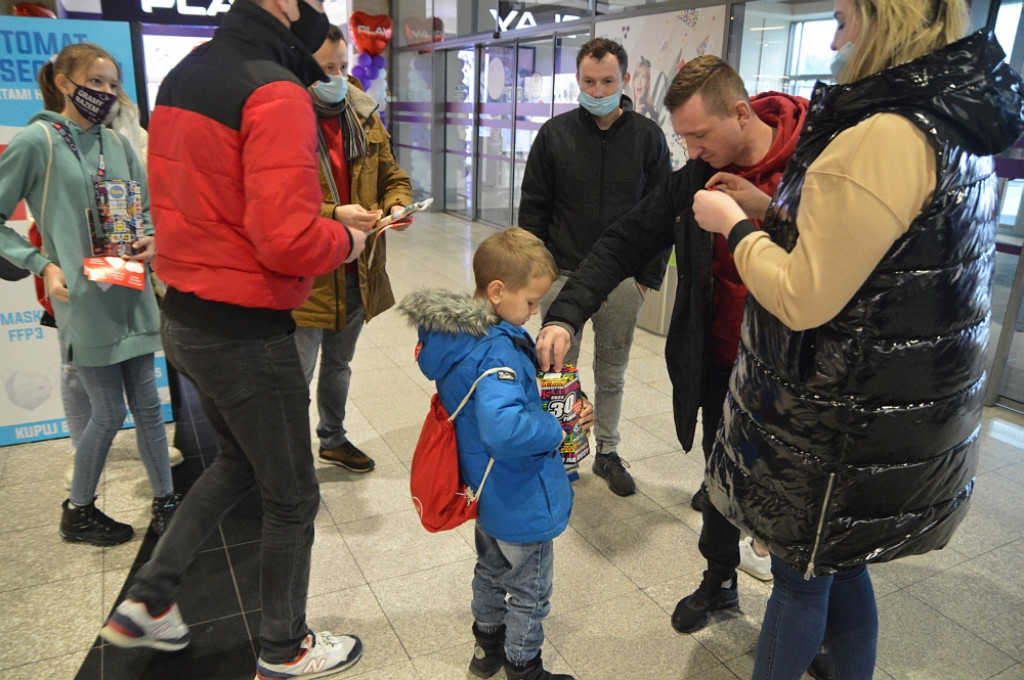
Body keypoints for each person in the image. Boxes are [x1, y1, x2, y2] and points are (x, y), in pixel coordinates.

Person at [690, 1, 1024, 678]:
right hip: (889, 408)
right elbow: (876, 254)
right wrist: (771, 207)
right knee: (840, 565)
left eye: (843, 18)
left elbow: (803, 295)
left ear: (885, 16)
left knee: (802, 577)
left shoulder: (884, 134)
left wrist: (733, 225)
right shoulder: (949, 118)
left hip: (842, 415)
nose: (836, 37)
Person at [100, 1, 368, 678]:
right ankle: (283, 647)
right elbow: (287, 239)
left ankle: (148, 602)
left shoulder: (186, 74)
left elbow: (212, 199)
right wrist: (347, 238)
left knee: (237, 465)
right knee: (292, 495)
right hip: (248, 330)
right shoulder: (275, 90)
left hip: (186, 316)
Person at [535, 55, 808, 631]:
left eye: (699, 135)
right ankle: (719, 581)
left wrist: (770, 213)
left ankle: (801, 607)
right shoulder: (696, 176)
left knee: (792, 497)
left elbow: (839, 258)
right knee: (719, 475)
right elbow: (624, 239)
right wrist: (563, 315)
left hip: (797, 374)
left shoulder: (814, 163)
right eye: (682, 137)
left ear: (741, 112)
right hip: (719, 360)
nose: (690, 149)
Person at [0, 42, 178, 546]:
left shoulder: (119, 145)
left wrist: (151, 237)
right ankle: (78, 510)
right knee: (106, 412)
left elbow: (145, 210)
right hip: (83, 299)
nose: (104, 93)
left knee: (146, 405)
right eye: (94, 82)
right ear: (63, 82)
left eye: (111, 84)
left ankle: (165, 501)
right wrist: (42, 264)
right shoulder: (39, 142)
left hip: (129, 286)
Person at [399, 227, 587, 680]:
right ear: (498, 291)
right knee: (529, 589)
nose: (536, 311)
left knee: (490, 568)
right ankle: (524, 667)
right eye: (531, 301)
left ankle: (487, 649)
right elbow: (504, 431)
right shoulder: (498, 352)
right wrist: (554, 427)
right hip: (519, 492)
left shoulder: (458, 337)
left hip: (482, 486)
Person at [519, 37, 671, 498]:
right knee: (557, 370)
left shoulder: (648, 138)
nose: (597, 88)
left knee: (612, 371)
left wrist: (647, 279)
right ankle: (561, 450)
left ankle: (606, 451)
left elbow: (663, 214)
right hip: (563, 275)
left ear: (624, 81)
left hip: (624, 281)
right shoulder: (554, 134)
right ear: (578, 81)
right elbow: (533, 212)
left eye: (607, 81)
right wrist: (535, 280)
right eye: (588, 81)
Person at [293, 24, 413, 473]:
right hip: (306, 273)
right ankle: (289, 460)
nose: (338, 77)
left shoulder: (362, 115)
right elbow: (274, 201)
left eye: (343, 66)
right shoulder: (285, 120)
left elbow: (394, 177)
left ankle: (333, 439)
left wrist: (396, 206)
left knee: (339, 364)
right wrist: (334, 213)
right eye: (327, 68)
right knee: (297, 376)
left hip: (357, 266)